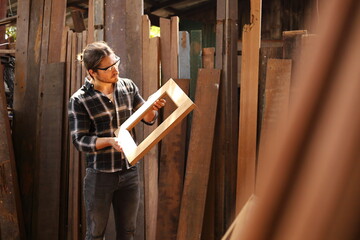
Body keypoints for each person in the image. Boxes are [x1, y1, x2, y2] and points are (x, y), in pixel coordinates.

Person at [68, 41, 165, 240]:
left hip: (129, 172)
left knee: (128, 232)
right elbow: (80, 141)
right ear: (93, 72)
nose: (115, 70)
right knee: (95, 234)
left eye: (116, 63)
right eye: (108, 67)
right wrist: (109, 141)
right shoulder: (79, 100)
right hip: (100, 176)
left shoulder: (128, 86)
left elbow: (147, 119)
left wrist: (152, 109)